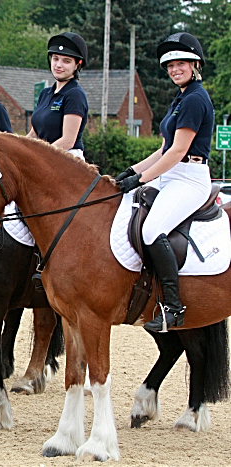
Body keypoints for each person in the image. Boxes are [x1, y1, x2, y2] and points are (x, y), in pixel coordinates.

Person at [117, 32, 213, 332]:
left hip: (190, 178)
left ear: (195, 64)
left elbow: (179, 151)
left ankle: (174, 307)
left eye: (181, 63)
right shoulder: (180, 98)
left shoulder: (196, 99)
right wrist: (130, 171)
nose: (174, 69)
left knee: (152, 228)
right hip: (171, 174)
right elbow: (162, 149)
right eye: (170, 65)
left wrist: (142, 179)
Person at [27, 32, 89, 160]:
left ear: (77, 64)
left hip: (66, 159)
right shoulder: (45, 93)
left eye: (66, 61)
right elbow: (34, 134)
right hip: (45, 158)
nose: (58, 65)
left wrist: (38, 157)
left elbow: (68, 141)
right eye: (55, 59)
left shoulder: (74, 94)